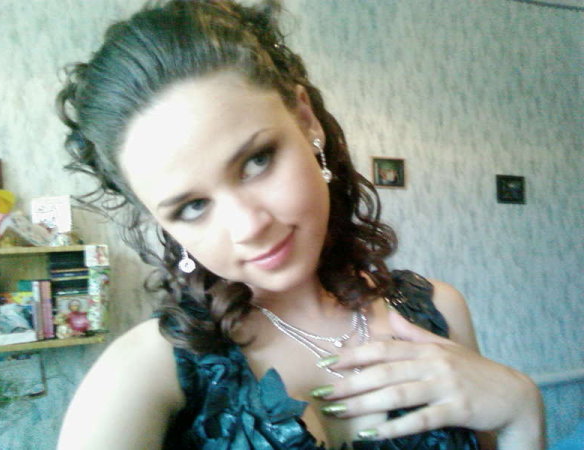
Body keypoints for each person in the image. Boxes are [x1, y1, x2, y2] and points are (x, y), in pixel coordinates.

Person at [55, 1, 544, 449]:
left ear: (306, 120)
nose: (249, 226)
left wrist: (522, 411)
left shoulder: (439, 312)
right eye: (192, 207)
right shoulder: (140, 377)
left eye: (256, 161)